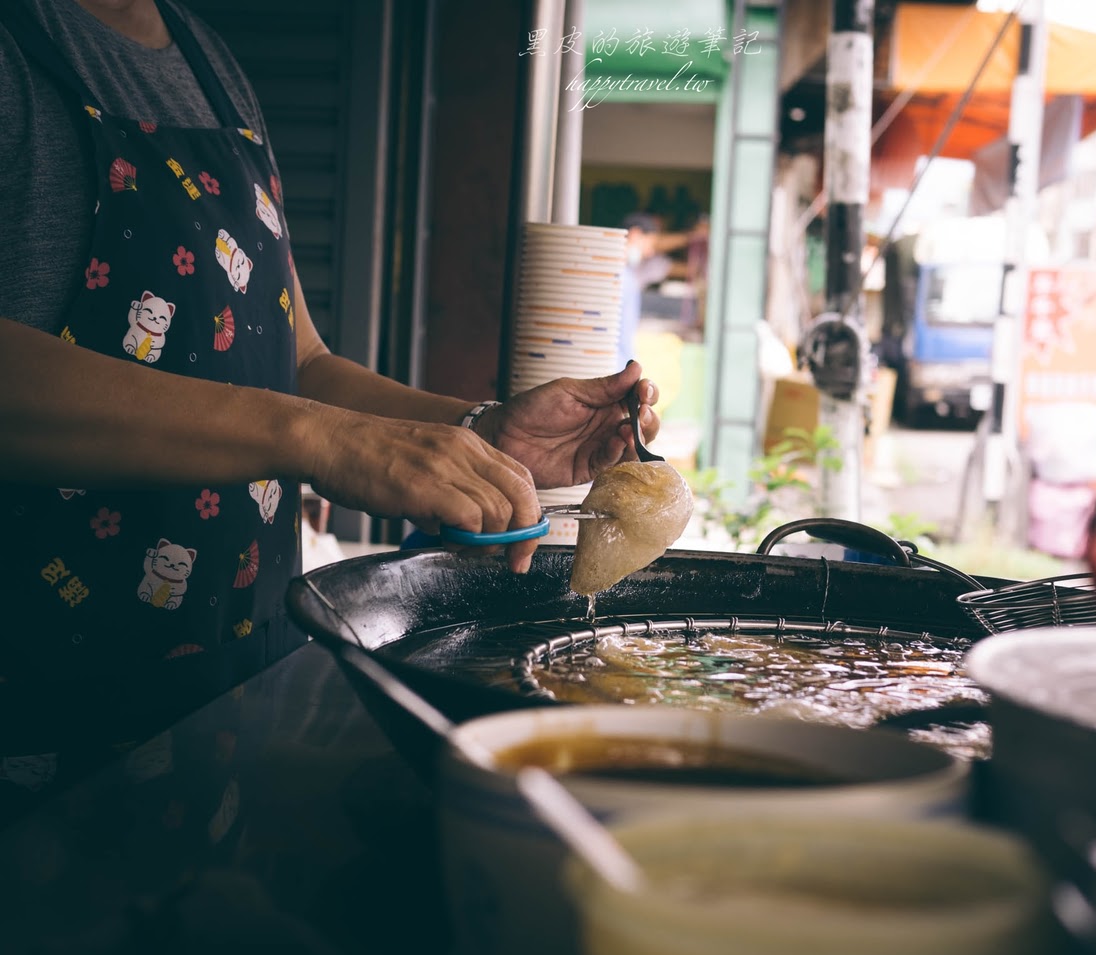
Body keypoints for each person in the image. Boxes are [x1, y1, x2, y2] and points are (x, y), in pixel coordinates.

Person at [0, 0, 661, 818]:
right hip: (40, 734)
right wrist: (317, 437)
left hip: (228, 700)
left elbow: (299, 361)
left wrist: (483, 432)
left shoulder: (208, 63)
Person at [619, 212, 707, 364]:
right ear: (635, 234)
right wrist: (691, 236)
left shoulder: (638, 271)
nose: (651, 252)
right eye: (651, 244)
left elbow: (685, 270)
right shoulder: (618, 274)